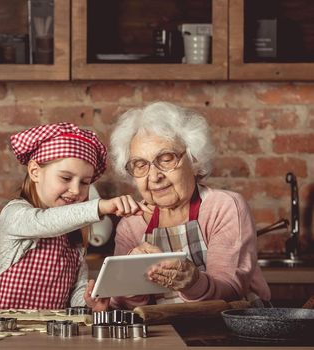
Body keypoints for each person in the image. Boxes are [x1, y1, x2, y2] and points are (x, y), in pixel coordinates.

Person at [85, 101, 270, 309]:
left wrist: (194, 283)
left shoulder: (224, 207)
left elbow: (231, 289)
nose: (154, 176)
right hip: (163, 336)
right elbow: (128, 307)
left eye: (166, 159)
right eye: (140, 165)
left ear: (194, 159)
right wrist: (126, 284)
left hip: (229, 333)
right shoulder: (131, 225)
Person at [0, 122, 148, 310]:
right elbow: (46, 221)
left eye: (85, 182)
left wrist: (89, 302)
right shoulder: (14, 214)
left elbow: (75, 293)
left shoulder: (74, 237)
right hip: (3, 330)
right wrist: (99, 207)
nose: (76, 190)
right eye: (66, 178)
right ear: (35, 172)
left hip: (51, 334)